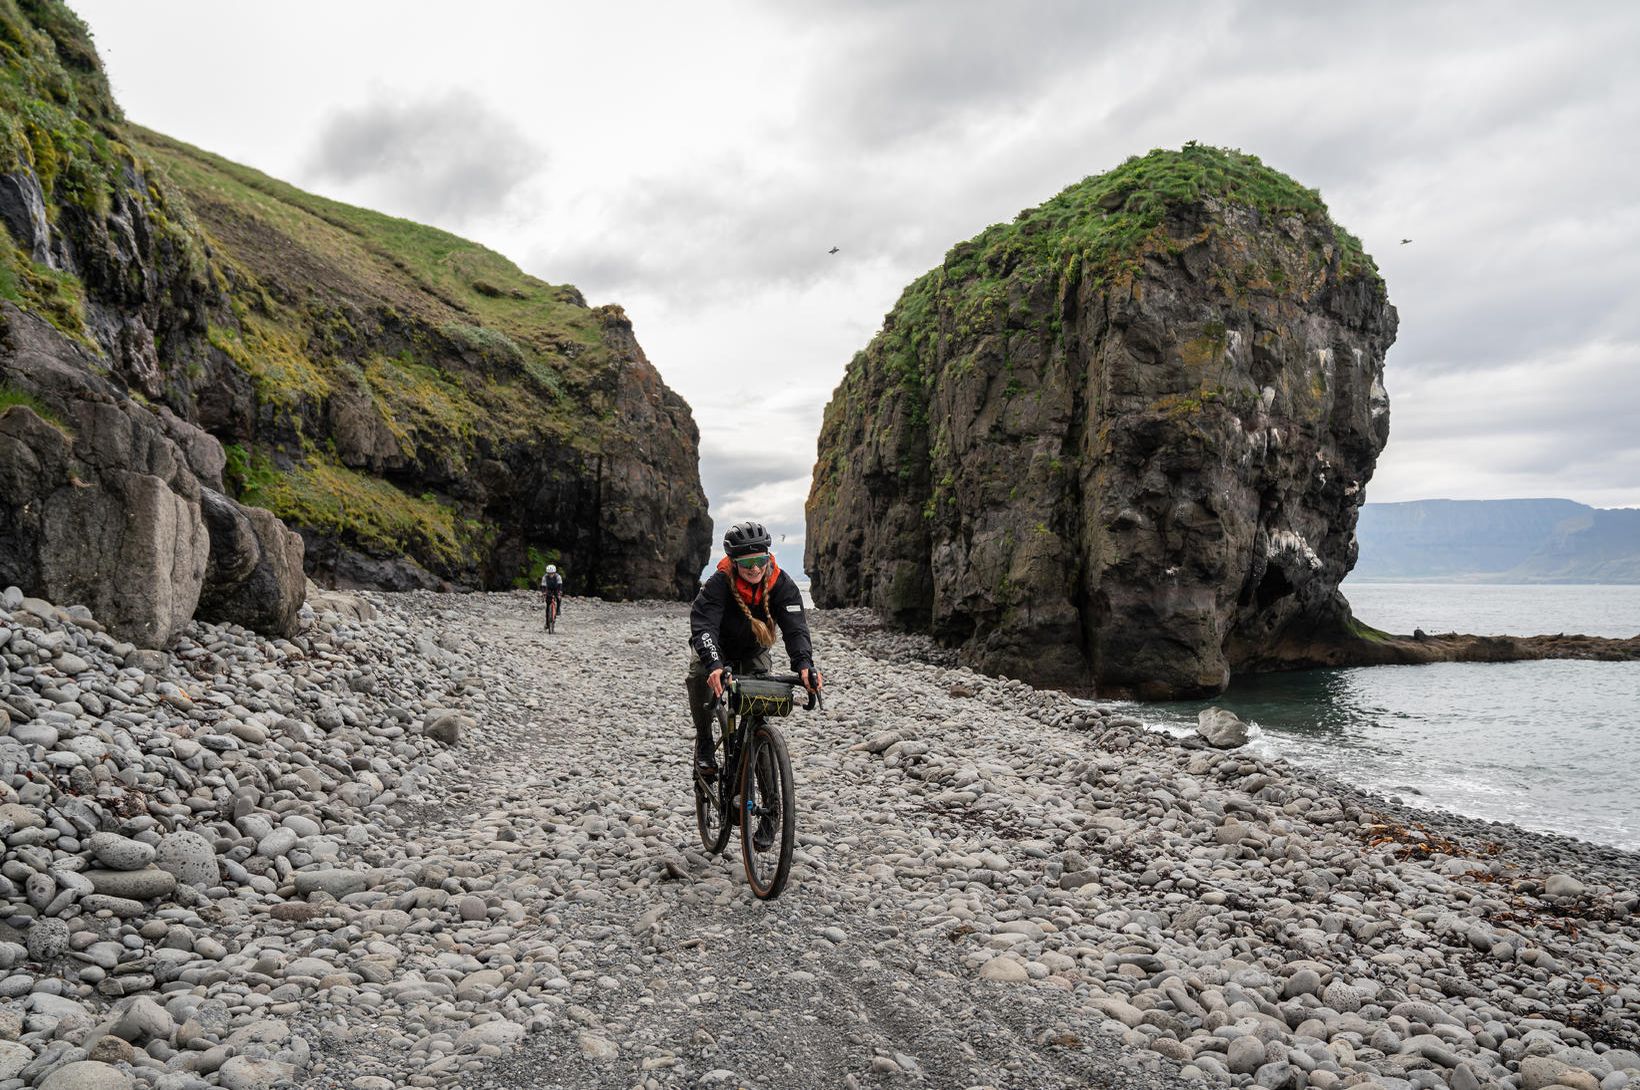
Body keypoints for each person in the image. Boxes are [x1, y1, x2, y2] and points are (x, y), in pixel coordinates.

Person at [687, 521, 821, 779]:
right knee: (697, 675)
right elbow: (704, 627)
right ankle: (704, 742)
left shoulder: (782, 584)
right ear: (734, 562)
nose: (755, 568)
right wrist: (714, 666)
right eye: (747, 563)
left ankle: (758, 754)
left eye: (760, 560)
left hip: (752, 650)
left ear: (768, 556)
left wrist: (805, 664)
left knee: (758, 703)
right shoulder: (718, 584)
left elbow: (795, 629)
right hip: (716, 648)